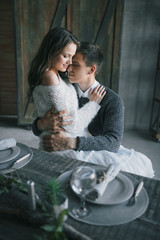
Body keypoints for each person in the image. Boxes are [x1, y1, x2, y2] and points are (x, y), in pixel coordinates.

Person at [32, 42, 154, 178]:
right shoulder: (62, 87)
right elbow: (40, 124)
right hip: (62, 146)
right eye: (69, 62)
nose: (68, 68)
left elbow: (113, 141)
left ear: (91, 70)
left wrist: (70, 143)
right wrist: (41, 124)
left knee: (137, 165)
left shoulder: (113, 100)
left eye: (76, 65)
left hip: (95, 148)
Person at [28, 27, 106, 150]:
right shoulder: (49, 76)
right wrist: (93, 104)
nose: (69, 62)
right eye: (65, 56)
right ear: (52, 51)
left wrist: (41, 124)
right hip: (61, 144)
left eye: (72, 57)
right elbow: (72, 125)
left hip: (67, 140)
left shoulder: (56, 74)